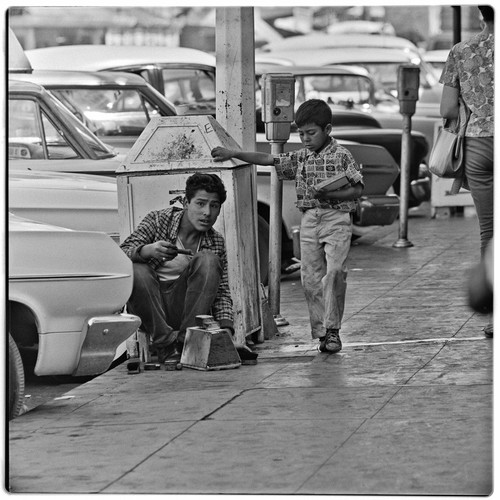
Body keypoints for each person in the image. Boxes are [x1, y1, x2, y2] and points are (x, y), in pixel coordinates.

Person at [211, 99, 364, 353]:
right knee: (310, 278)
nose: (305, 138)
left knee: (335, 272)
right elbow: (268, 159)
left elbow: (358, 188)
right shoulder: (301, 157)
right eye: (301, 133)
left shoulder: (342, 155)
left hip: (336, 219)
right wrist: (234, 154)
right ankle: (322, 333)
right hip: (309, 220)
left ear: (327, 129)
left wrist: (333, 196)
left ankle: (334, 329)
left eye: (311, 133)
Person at [120, 172, 257, 363]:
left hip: (187, 313)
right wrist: (147, 251)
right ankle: (166, 346)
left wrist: (226, 332)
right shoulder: (158, 220)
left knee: (209, 260)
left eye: (214, 206)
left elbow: (221, 292)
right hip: (149, 309)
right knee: (137, 270)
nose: (207, 213)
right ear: (185, 202)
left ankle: (187, 342)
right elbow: (120, 255)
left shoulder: (215, 241)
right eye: (200, 204)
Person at [439, 5, 494, 336]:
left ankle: (494, 316)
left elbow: (447, 108)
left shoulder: (462, 51)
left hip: (478, 146)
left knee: (489, 231)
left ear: (480, 16)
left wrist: (466, 106)